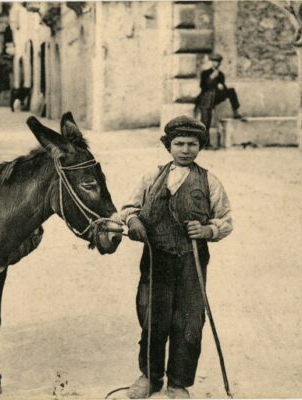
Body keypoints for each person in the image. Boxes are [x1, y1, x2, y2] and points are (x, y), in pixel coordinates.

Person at [118, 116, 233, 399]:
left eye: (192, 144)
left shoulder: (209, 181)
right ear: (168, 146)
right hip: (156, 259)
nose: (185, 149)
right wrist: (133, 222)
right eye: (178, 143)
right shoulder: (151, 177)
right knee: (152, 317)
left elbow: (226, 219)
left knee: (189, 320)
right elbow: (129, 207)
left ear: (200, 146)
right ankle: (149, 376)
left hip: (191, 260)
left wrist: (208, 229)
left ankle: (179, 383)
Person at [195, 53, 244, 147]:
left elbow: (222, 85)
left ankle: (236, 112)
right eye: (214, 62)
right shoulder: (205, 73)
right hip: (205, 99)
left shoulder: (221, 74)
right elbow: (203, 87)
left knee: (231, 91)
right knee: (205, 121)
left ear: (219, 64)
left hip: (215, 97)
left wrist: (222, 87)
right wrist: (211, 77)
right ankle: (205, 144)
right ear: (211, 62)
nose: (216, 64)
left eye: (217, 62)